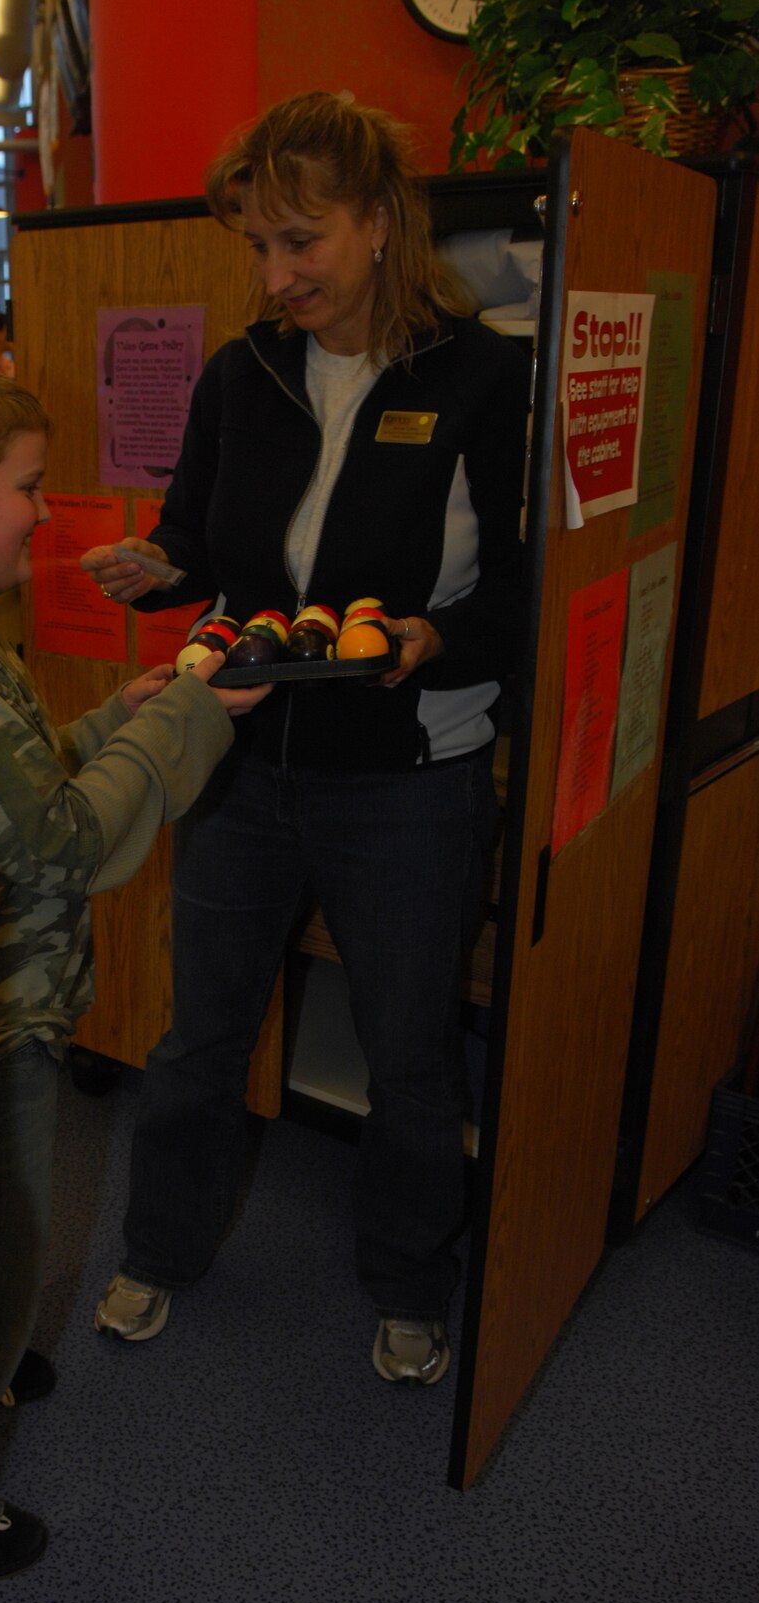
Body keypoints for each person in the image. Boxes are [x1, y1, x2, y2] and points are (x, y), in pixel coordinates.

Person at [80, 90, 530, 1386]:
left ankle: (406, 1283)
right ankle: (161, 1250)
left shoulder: (484, 376)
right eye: (258, 249)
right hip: (246, 765)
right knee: (197, 1039)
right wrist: (148, 567)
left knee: (408, 1058)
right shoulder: (245, 373)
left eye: (301, 241)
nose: (277, 277)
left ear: (379, 223)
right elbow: (198, 542)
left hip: (408, 781)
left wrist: (432, 644)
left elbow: (516, 590)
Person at [0, 348, 269, 1582]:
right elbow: (64, 842)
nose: (43, 514)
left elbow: (7, 787)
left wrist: (118, 715)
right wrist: (189, 718)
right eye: (28, 487)